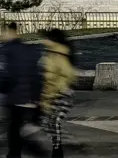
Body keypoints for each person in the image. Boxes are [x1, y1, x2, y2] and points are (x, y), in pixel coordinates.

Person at [0, 22, 44, 158]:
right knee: (18, 129)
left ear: (9, 32)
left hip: (16, 97)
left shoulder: (7, 50)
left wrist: (3, 88)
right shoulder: (28, 49)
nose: (1, 35)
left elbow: (6, 76)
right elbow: (36, 75)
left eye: (3, 32)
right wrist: (37, 98)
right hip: (30, 97)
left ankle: (22, 153)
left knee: (14, 130)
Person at [41, 29, 76, 158]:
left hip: (62, 93)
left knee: (53, 121)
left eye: (46, 38)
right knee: (48, 122)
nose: (43, 41)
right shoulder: (51, 53)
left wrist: (59, 87)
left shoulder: (59, 53)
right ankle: (57, 148)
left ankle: (57, 150)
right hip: (53, 92)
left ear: (52, 40)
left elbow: (67, 74)